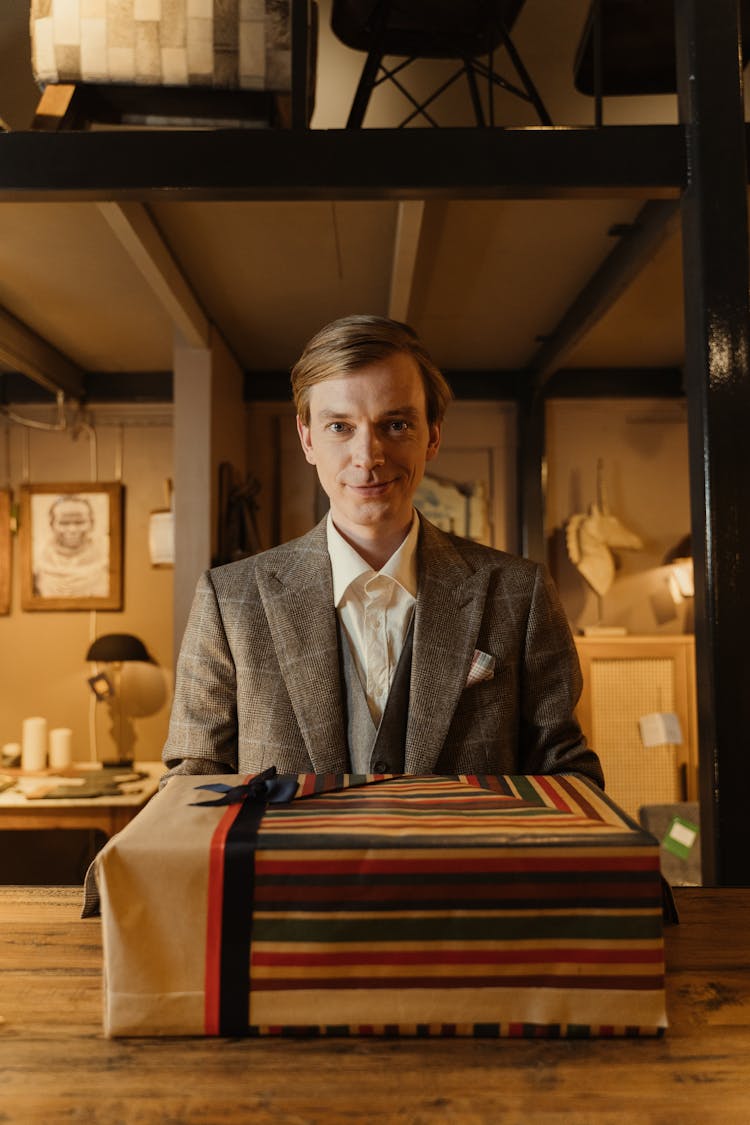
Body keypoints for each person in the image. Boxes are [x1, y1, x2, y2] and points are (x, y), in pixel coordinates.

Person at [163, 315, 603, 788]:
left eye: (395, 424)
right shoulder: (228, 600)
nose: (368, 455)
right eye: (339, 426)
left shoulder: (521, 593)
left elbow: (567, 775)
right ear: (307, 437)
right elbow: (192, 785)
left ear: (432, 435)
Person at [34, 494, 109, 599]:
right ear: (52, 524)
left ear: (91, 523)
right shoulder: (38, 562)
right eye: (64, 523)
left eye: (79, 522)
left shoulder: (105, 559)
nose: (72, 529)